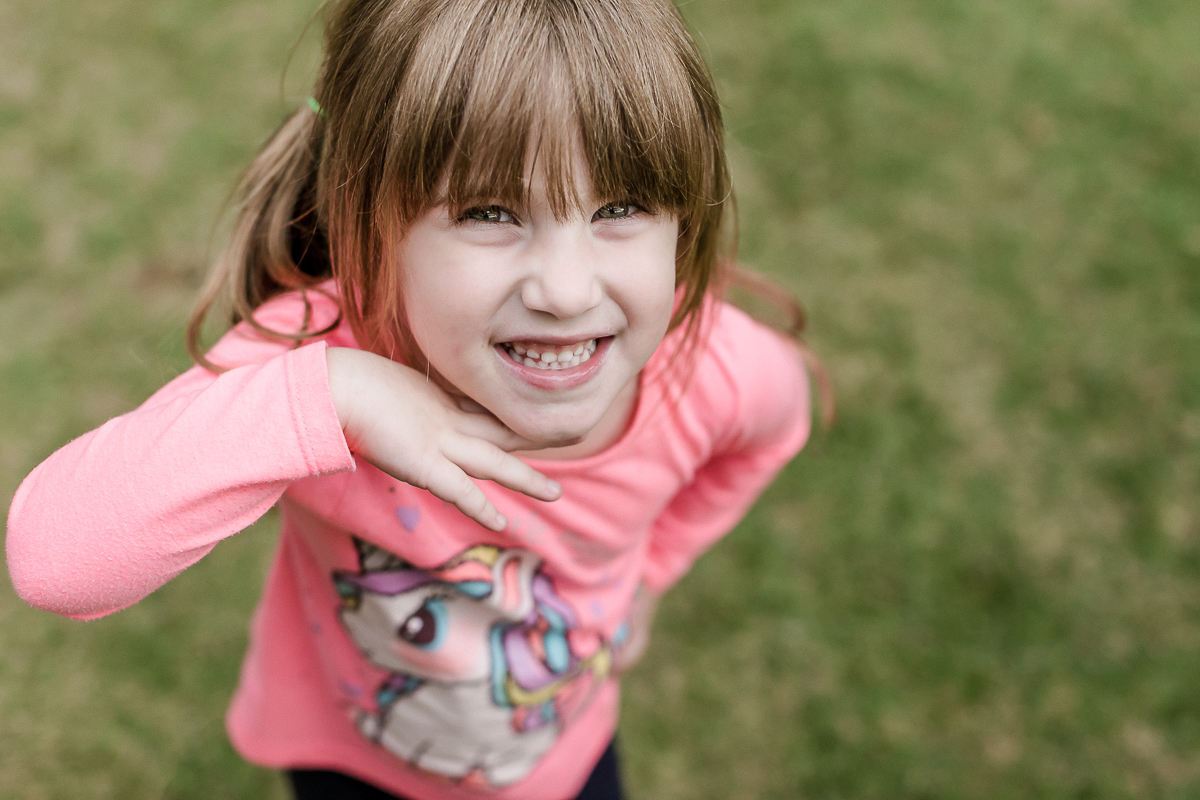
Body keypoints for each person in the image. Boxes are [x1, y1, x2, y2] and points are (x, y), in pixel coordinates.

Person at [5, 1, 826, 798]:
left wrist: (654, 570)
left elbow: (774, 427)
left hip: (562, 761)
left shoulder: (710, 368)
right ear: (371, 218)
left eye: (620, 208)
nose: (567, 290)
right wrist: (328, 397)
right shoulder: (319, 357)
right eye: (489, 212)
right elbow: (55, 561)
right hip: (349, 761)